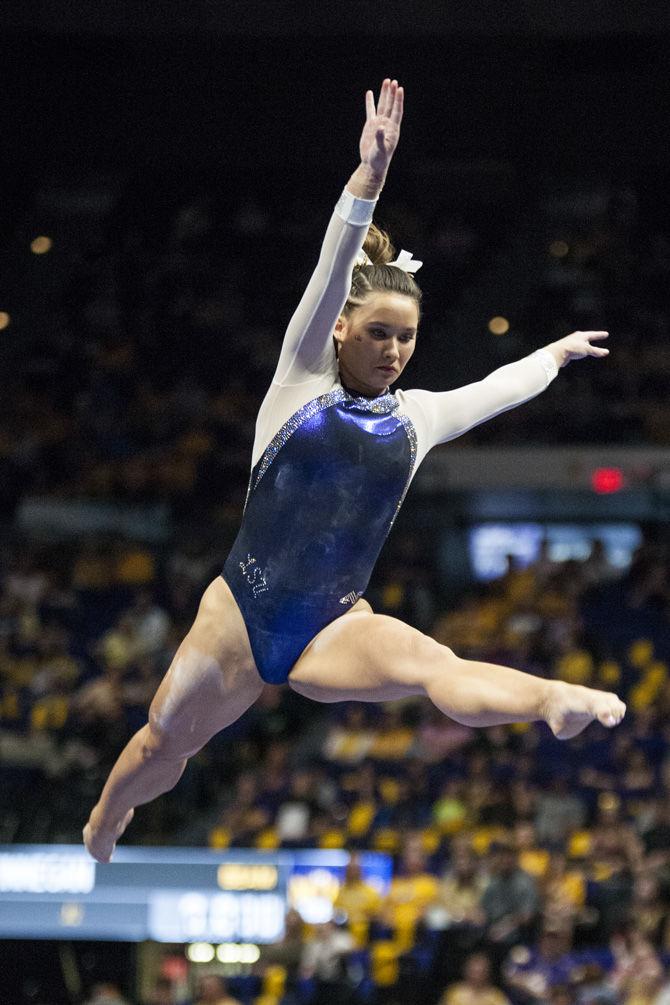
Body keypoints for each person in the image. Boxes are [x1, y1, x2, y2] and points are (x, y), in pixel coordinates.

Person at [83, 77, 626, 863]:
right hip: (240, 615)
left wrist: (553, 354)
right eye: (377, 333)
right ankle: (104, 816)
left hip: (336, 623)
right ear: (340, 328)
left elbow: (495, 389)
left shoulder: (417, 420)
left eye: (405, 338)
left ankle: (551, 700)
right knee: (162, 750)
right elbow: (335, 261)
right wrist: (368, 180)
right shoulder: (298, 385)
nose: (394, 351)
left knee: (433, 664)